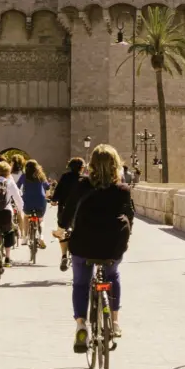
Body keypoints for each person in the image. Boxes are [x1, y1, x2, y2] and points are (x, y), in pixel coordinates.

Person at [65, 144, 133, 351]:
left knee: (80, 284)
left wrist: (62, 228)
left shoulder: (82, 186)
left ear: (92, 164)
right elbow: (130, 215)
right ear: (116, 165)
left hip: (83, 244)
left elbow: (67, 213)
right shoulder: (122, 190)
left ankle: (80, 325)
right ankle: (114, 321)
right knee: (112, 276)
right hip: (112, 246)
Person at [52, 157, 85, 272]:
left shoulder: (65, 177)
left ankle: (64, 256)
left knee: (62, 231)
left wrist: (54, 200)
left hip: (64, 210)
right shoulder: (84, 179)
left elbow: (58, 191)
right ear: (82, 168)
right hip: (80, 211)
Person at [20, 159, 50, 250]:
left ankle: (24, 238)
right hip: (40, 201)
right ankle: (41, 237)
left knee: (25, 216)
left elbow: (17, 186)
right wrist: (48, 196)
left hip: (27, 201)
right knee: (40, 219)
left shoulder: (24, 176)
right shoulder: (41, 176)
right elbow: (47, 187)